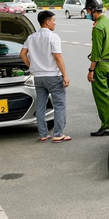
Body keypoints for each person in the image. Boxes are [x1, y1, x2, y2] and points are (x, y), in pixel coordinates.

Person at [20, 10, 71, 142]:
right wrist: (65, 75)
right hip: (53, 76)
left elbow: (22, 54)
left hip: (38, 77)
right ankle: (58, 134)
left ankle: (43, 134)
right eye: (54, 20)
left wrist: (32, 67)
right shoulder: (53, 37)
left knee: (40, 106)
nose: (55, 23)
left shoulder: (31, 38)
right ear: (47, 22)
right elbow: (58, 57)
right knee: (59, 105)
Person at [85, 0, 109, 137]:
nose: (87, 13)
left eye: (87, 10)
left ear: (93, 10)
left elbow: (96, 53)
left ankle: (107, 126)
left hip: (101, 65)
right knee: (107, 95)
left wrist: (91, 70)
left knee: (101, 97)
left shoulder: (98, 27)